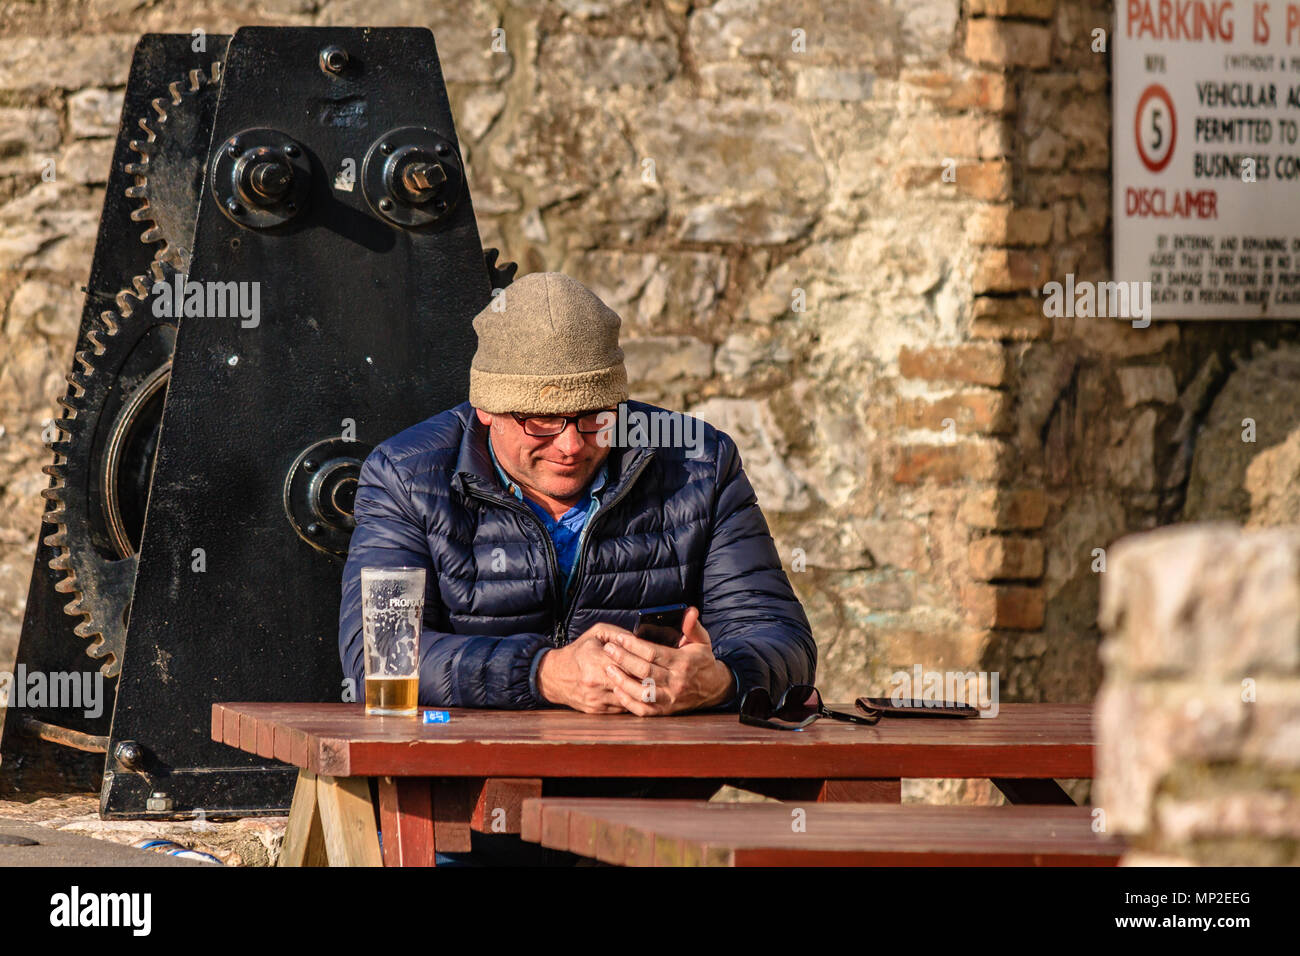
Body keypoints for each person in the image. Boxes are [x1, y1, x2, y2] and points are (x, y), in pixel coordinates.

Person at [338, 271, 814, 715]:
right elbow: (378, 656)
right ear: (486, 408)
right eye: (541, 420)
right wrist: (541, 673)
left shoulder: (700, 463)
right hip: (466, 778)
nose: (571, 445)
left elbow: (780, 635)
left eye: (595, 417)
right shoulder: (405, 476)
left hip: (649, 782)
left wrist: (724, 680)